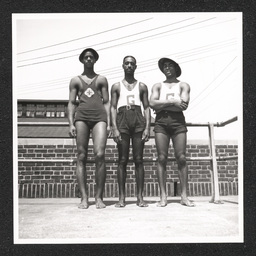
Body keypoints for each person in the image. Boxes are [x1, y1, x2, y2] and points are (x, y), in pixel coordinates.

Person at [68, 48, 111, 209]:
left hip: (99, 117)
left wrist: (110, 123)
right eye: (86, 57)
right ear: (82, 60)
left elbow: (107, 102)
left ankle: (99, 197)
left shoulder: (101, 79)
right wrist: (71, 123)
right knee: (81, 155)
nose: (88, 59)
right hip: (82, 118)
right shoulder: (75, 80)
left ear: (95, 60)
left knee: (100, 154)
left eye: (91, 57)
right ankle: (84, 198)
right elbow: (72, 102)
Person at [149, 57, 195, 207]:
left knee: (181, 157)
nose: (167, 68)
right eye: (165, 66)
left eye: (170, 65)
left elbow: (183, 105)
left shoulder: (183, 85)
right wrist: (173, 102)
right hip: (161, 123)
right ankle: (163, 196)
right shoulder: (157, 85)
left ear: (176, 68)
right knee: (161, 158)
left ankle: (184, 196)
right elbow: (151, 103)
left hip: (177, 122)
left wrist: (161, 106)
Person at [110, 56, 151, 207]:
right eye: (126, 63)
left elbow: (146, 107)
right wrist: (114, 127)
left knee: (139, 159)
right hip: (122, 120)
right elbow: (113, 107)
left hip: (138, 119)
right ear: (122, 66)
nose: (129, 66)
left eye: (132, 64)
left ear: (135, 66)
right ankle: (122, 198)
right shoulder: (116, 86)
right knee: (122, 160)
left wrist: (147, 127)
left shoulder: (142, 86)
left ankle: (140, 197)